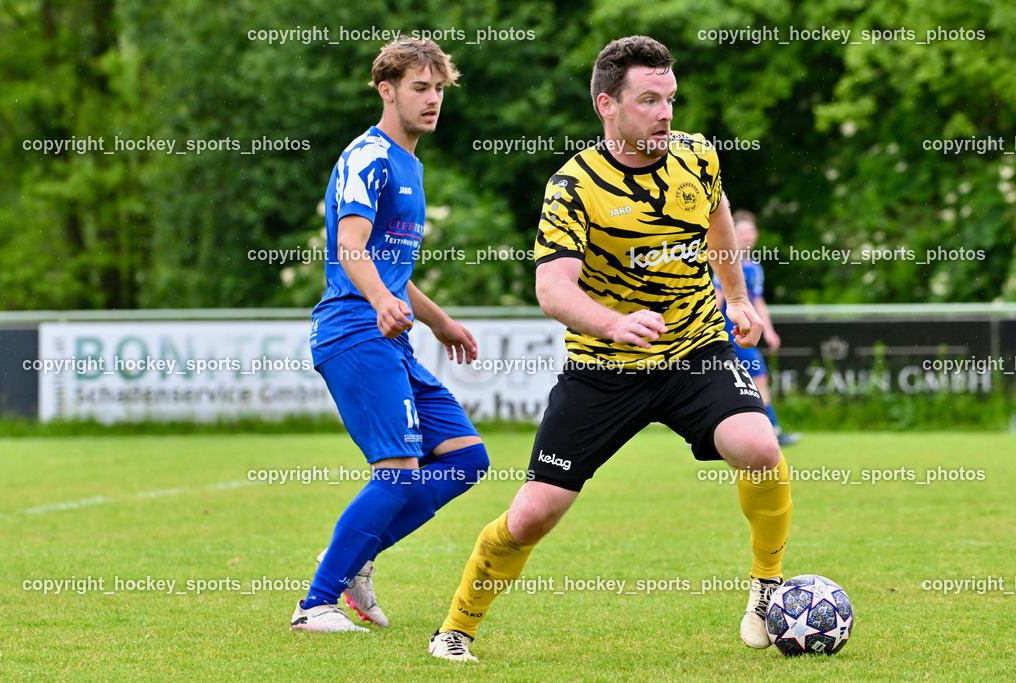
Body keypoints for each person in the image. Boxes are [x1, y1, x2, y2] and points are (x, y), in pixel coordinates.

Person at [428, 35, 793, 661]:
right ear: (608, 105)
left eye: (670, 99)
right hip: (603, 370)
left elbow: (718, 214)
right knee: (533, 515)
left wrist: (735, 296)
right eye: (649, 100)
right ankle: (456, 629)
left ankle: (767, 587)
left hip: (695, 351)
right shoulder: (573, 186)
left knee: (759, 445)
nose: (665, 114)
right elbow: (552, 288)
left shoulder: (697, 156)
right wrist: (611, 323)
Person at [293, 39, 489, 633]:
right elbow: (350, 246)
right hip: (354, 330)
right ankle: (315, 605)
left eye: (438, 89)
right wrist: (380, 299)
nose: (432, 100)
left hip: (388, 335)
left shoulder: (411, 164)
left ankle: (354, 558)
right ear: (387, 90)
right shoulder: (368, 156)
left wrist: (439, 321)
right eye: (419, 88)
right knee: (399, 469)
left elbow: (391, 266)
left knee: (465, 458)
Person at [713, 210, 801, 447]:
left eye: (749, 231)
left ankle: (709, 433)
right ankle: (772, 431)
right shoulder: (727, 263)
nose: (746, 236)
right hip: (729, 334)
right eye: (740, 232)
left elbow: (758, 302)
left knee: (728, 383)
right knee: (758, 377)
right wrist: (710, 331)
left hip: (742, 336)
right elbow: (717, 299)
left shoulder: (755, 267)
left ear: (756, 234)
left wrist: (769, 331)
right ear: (732, 234)